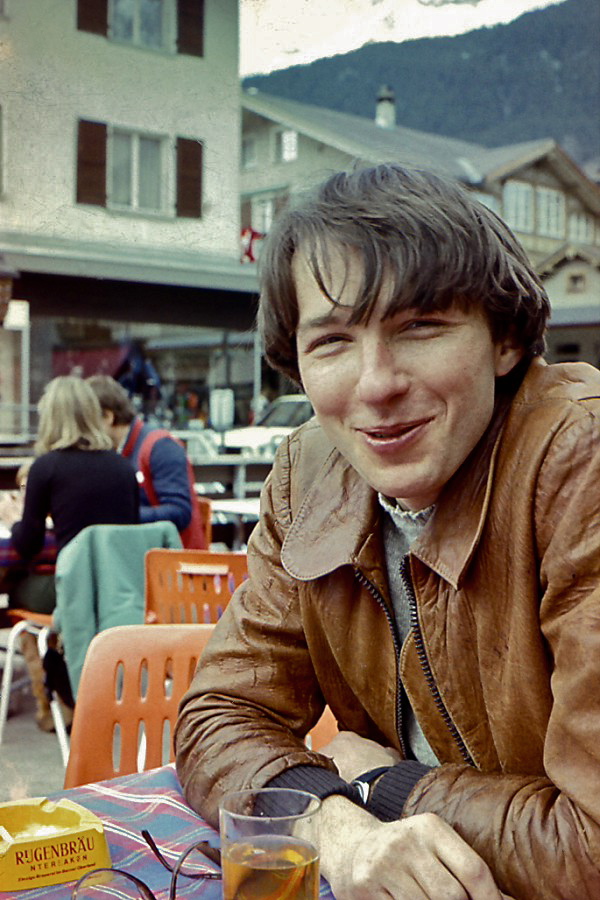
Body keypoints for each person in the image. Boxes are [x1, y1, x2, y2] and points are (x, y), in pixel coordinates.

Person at [174, 164, 600, 900]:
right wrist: (334, 824)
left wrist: (386, 784)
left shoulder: (579, 460)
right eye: (333, 340)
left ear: (504, 340)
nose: (375, 384)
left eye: (419, 326)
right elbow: (221, 713)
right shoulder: (309, 475)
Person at [8, 375, 140, 728]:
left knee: (16, 588)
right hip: (118, 596)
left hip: (71, 595)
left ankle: (51, 699)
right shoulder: (123, 468)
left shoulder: (46, 467)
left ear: (51, 417)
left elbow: (27, 545)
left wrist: (15, 518)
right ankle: (62, 686)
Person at [87, 375, 207, 549]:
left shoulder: (160, 446)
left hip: (173, 560)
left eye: (87, 424)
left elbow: (179, 512)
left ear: (108, 417)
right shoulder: (116, 452)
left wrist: (119, 515)